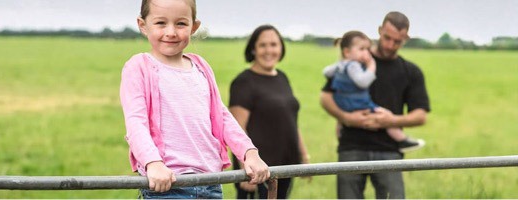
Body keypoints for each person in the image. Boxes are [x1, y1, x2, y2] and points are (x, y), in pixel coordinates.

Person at [119, 0, 270, 198]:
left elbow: (221, 116)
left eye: (181, 23)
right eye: (160, 23)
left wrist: (249, 152)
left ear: (194, 27)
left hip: (211, 183)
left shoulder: (201, 66)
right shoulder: (139, 67)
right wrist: (152, 163)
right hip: (167, 184)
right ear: (142, 25)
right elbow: (136, 123)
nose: (171, 32)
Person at [320, 11, 430, 199]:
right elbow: (325, 97)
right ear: (379, 30)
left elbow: (421, 115)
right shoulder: (355, 61)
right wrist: (346, 118)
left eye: (397, 41)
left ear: (406, 39)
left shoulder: (411, 72)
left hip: (389, 152)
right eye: (387, 38)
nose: (390, 45)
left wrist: (390, 120)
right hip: (351, 147)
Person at [229, 25, 311, 199]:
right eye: (263, 45)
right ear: (253, 49)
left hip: (285, 166)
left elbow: (291, 120)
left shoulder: (282, 77)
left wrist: (304, 155)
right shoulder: (243, 82)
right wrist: (245, 168)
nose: (269, 50)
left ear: (281, 48)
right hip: (257, 170)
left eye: (273, 45)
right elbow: (237, 129)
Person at [322, 30, 425, 153]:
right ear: (347, 52)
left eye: (367, 49)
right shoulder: (354, 66)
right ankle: (402, 140)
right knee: (383, 114)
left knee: (342, 121)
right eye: (362, 49)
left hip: (343, 103)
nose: (367, 52)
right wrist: (371, 66)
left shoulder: (340, 65)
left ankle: (340, 134)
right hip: (359, 103)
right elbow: (363, 82)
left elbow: (326, 72)